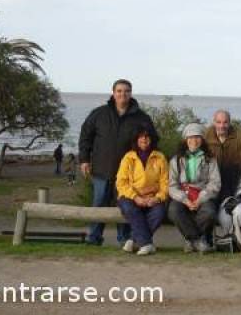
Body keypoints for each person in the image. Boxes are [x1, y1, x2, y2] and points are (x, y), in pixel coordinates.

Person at [78, 79, 157, 248]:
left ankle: (124, 239)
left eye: (126, 91)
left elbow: (153, 140)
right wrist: (84, 159)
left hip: (130, 173)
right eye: (119, 91)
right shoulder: (99, 114)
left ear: (131, 93)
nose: (123, 94)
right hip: (101, 169)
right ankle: (94, 237)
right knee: (99, 203)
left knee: (126, 206)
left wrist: (146, 164)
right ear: (113, 93)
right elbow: (85, 136)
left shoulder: (141, 117)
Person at [168, 123, 221, 253]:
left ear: (202, 140)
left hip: (203, 196)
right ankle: (197, 240)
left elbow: (215, 183)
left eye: (197, 137)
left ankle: (190, 240)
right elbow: (172, 186)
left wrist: (200, 199)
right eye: (190, 137)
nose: (194, 141)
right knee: (173, 210)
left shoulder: (210, 160)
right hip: (183, 196)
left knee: (209, 212)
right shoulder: (176, 160)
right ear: (185, 140)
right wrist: (185, 200)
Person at [116, 125, 168, 255]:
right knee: (130, 209)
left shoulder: (160, 157)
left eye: (147, 136)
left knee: (160, 212)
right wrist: (136, 197)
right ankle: (146, 243)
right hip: (130, 197)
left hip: (152, 198)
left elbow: (165, 183)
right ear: (136, 139)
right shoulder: (128, 157)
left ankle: (133, 240)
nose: (144, 139)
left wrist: (157, 198)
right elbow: (121, 183)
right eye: (141, 136)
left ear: (152, 138)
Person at [204, 110, 241, 204]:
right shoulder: (206, 136)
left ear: (230, 122)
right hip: (211, 180)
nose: (222, 126)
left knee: (226, 212)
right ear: (214, 122)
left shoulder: (240, 136)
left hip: (232, 180)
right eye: (218, 122)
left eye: (225, 122)